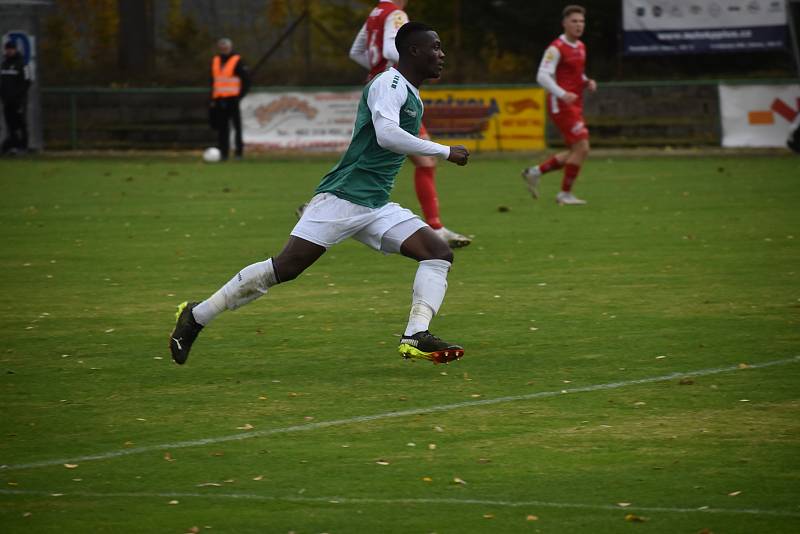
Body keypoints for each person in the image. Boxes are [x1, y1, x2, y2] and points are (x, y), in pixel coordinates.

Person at [170, 22, 470, 366]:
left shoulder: (410, 91)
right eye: (435, 47)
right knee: (285, 267)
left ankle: (416, 334)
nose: (441, 54)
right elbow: (386, 134)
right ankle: (196, 316)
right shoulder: (389, 83)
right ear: (413, 51)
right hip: (342, 198)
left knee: (437, 253)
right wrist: (444, 150)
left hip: (374, 204)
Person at [348, 0, 471, 248]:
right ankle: (435, 227)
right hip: (394, 92)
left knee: (371, 155)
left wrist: (375, 71)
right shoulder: (396, 14)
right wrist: (411, 68)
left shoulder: (374, 14)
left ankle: (322, 206)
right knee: (424, 160)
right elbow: (392, 50)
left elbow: (356, 51)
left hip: (377, 85)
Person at [521, 5, 596, 205]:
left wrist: (586, 81)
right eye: (574, 21)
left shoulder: (580, 46)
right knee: (582, 146)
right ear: (564, 23)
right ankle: (564, 194)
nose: (579, 25)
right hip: (561, 104)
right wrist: (562, 94)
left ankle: (534, 172)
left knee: (576, 150)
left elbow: (577, 73)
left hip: (574, 103)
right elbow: (542, 76)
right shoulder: (556, 48)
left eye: (581, 21)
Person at [209, 38, 250, 160]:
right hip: (219, 99)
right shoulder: (215, 60)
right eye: (221, 48)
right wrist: (212, 98)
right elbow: (213, 81)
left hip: (233, 99)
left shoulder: (237, 60)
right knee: (222, 128)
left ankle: (238, 153)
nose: (223, 50)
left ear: (230, 48)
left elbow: (246, 80)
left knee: (237, 126)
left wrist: (240, 95)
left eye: (225, 48)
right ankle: (223, 153)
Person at [0, 39, 31, 155]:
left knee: (21, 124)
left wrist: (18, 97)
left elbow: (27, 82)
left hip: (18, 101)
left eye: (11, 49)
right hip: (7, 101)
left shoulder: (22, 64)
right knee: (10, 125)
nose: (9, 51)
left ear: (15, 50)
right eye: (7, 49)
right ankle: (13, 146)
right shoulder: (4, 64)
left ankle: (24, 146)